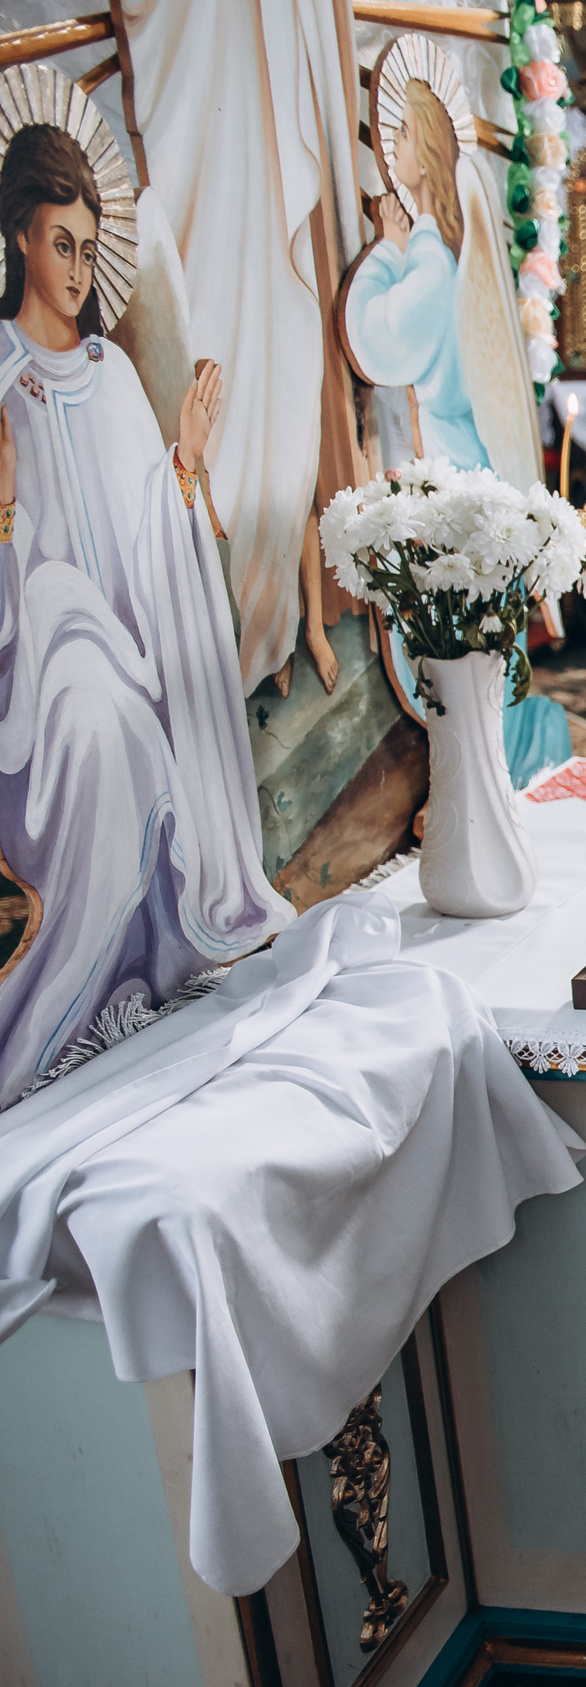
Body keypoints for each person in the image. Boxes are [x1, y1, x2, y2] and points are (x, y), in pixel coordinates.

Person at [0, 118, 293, 1110]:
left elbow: (145, 539)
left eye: (88, 246)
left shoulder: (115, 375)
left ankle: (141, 956)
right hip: (33, 676)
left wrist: (183, 468)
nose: (77, 268)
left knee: (125, 698)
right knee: (99, 700)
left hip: (113, 654)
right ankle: (77, 984)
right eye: (59, 242)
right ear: (20, 242)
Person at [342, 79, 494, 467]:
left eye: (404, 131)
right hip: (458, 450)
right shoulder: (447, 255)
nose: (393, 137)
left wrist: (390, 249)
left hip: (444, 454)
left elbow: (376, 333)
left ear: (425, 160)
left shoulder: (433, 265)